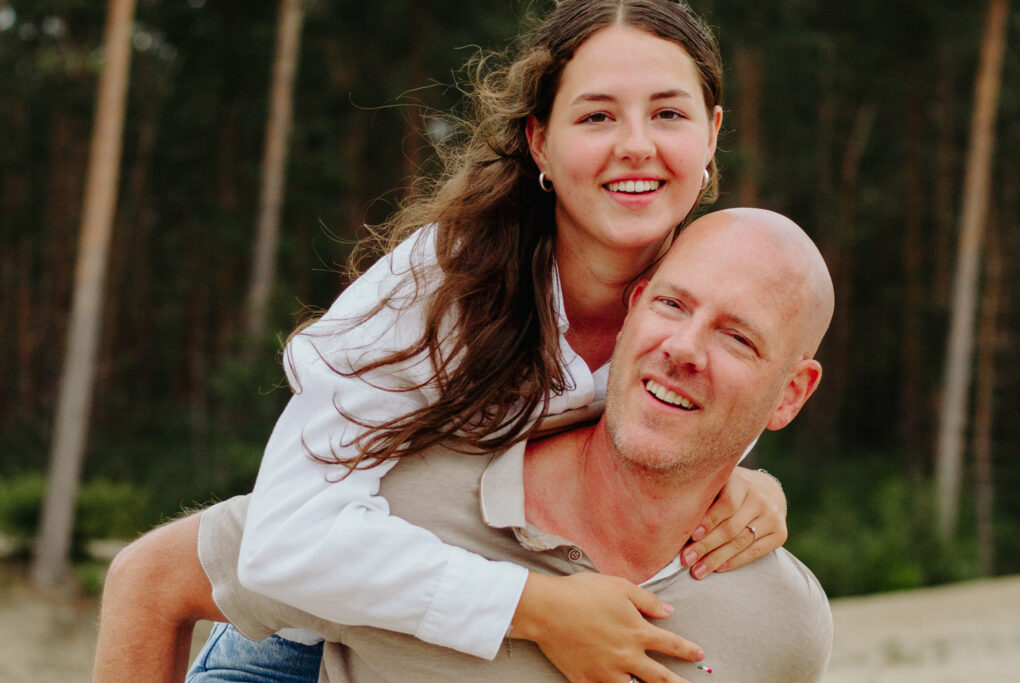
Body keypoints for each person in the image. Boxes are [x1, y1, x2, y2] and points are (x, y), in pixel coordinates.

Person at [97, 2, 792, 681]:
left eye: (668, 113)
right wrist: (537, 606)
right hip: (306, 648)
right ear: (540, 141)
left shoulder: (706, 310)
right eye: (597, 115)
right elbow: (284, 541)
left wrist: (751, 482)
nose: (636, 143)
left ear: (712, 134)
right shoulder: (441, 286)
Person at [94, 208, 835, 683]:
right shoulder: (405, 494)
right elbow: (153, 581)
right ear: (635, 308)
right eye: (673, 303)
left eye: (737, 337)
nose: (684, 347)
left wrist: (753, 481)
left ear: (791, 394)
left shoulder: (784, 623)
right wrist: (536, 606)